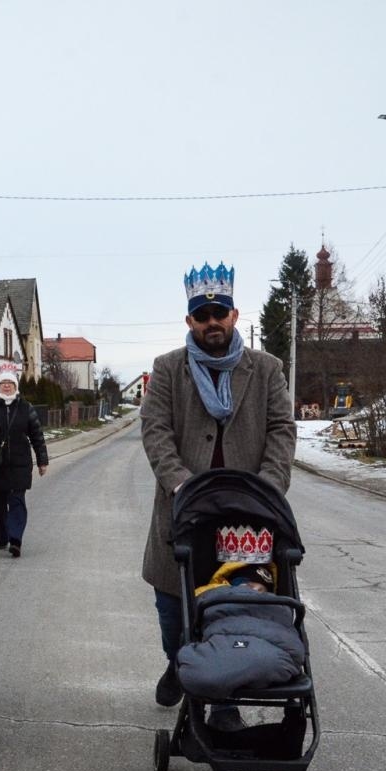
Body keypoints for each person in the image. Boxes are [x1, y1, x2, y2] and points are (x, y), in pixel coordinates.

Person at [141, 261, 295, 720]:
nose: (212, 322)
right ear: (190, 321)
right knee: (174, 609)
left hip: (248, 518)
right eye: (202, 315)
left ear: (234, 315)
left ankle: (222, 701)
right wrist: (180, 481)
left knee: (237, 608)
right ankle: (178, 661)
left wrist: (266, 490)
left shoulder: (265, 369)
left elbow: (282, 430)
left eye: (220, 313)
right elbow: (155, 430)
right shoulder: (169, 369)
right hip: (183, 511)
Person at [0, 363, 48, 558]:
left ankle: (16, 539)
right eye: (3, 383)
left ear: (15, 385)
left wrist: (42, 460)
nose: (6, 386)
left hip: (20, 464)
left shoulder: (26, 408)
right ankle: (2, 537)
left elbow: (37, 435)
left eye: (10, 383)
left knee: (17, 501)